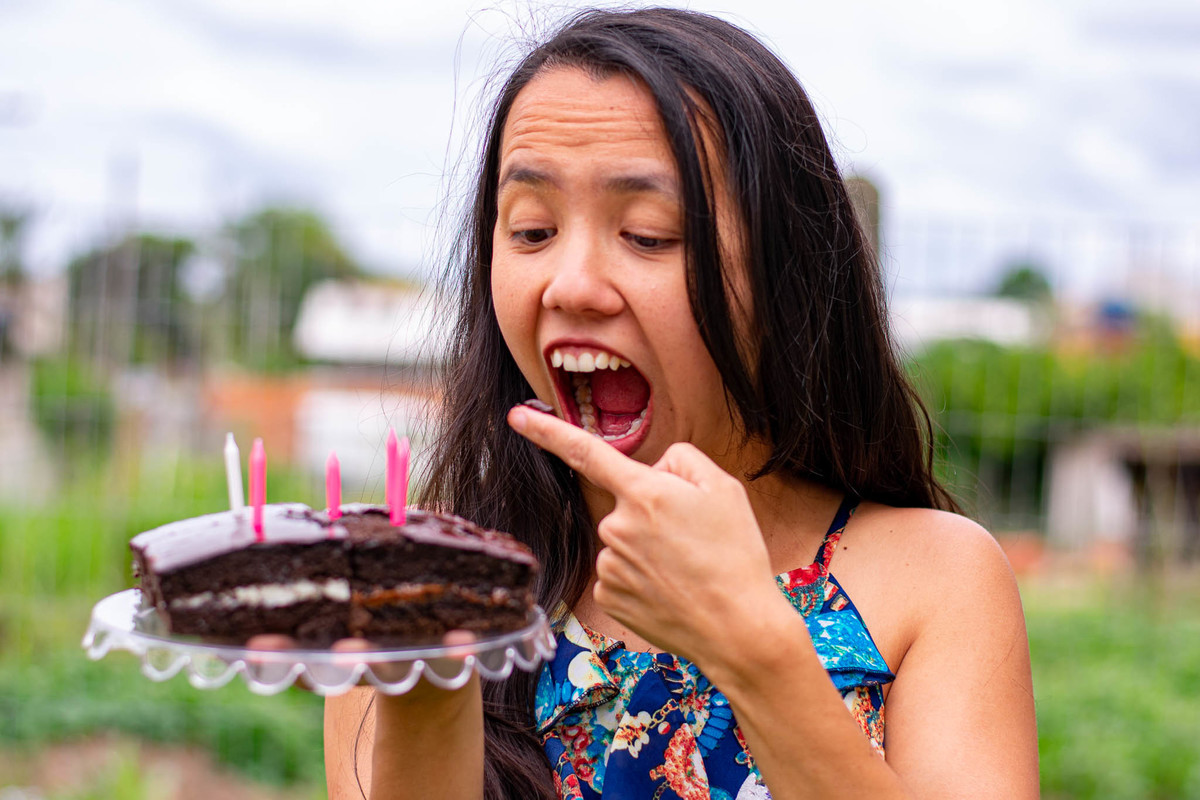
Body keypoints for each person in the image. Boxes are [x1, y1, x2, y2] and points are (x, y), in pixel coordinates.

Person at [324, 8, 1039, 799]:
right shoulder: (419, 586)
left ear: (786, 278)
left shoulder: (937, 579)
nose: (571, 286)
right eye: (531, 231)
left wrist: (753, 649)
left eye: (648, 234)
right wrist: (428, 687)